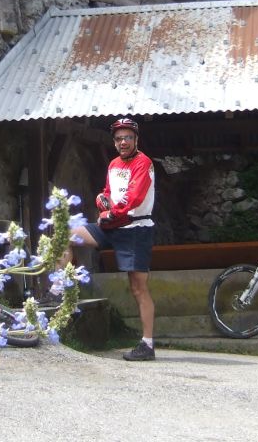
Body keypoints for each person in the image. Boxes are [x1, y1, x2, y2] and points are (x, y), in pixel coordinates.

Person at [69, 117, 157, 361]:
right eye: (119, 138)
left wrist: (109, 214)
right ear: (114, 142)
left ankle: (147, 345)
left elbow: (134, 200)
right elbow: (109, 193)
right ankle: (62, 292)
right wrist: (101, 200)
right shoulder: (113, 164)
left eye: (128, 137)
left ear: (136, 139)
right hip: (111, 226)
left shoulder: (144, 163)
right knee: (66, 236)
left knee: (138, 288)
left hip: (135, 229)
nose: (123, 142)